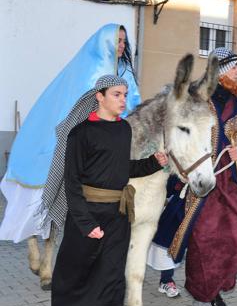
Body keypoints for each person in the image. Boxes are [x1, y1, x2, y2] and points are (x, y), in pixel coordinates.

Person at [45, 75, 167, 306]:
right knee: (75, 273)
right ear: (99, 96)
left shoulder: (124, 129)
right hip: (86, 216)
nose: (123, 100)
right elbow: (72, 182)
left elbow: (120, 169)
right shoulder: (80, 133)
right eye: (116, 94)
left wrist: (152, 163)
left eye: (125, 94)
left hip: (118, 215)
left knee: (112, 277)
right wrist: (87, 225)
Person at [0, 24, 141, 244]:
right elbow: (76, 108)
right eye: (118, 41)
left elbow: (133, 105)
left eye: (124, 41)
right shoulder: (92, 71)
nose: (122, 46)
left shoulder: (124, 74)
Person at [163, 48, 237, 306]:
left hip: (230, 182)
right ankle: (201, 303)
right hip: (202, 185)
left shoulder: (235, 100)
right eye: (234, 67)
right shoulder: (195, 98)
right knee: (206, 244)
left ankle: (216, 286)